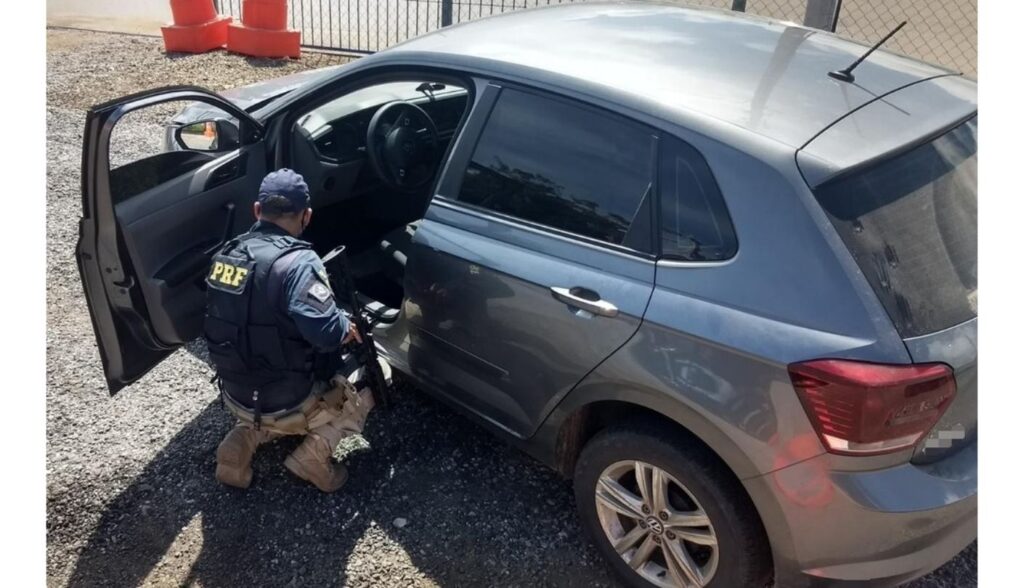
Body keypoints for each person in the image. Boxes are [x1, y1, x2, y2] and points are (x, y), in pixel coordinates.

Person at [203, 168, 381, 492]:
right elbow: (325, 334)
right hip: (290, 399)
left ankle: (241, 439)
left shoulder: (226, 255)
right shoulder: (298, 263)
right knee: (370, 380)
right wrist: (345, 325)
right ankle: (313, 455)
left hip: (237, 394)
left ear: (257, 210)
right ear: (307, 216)